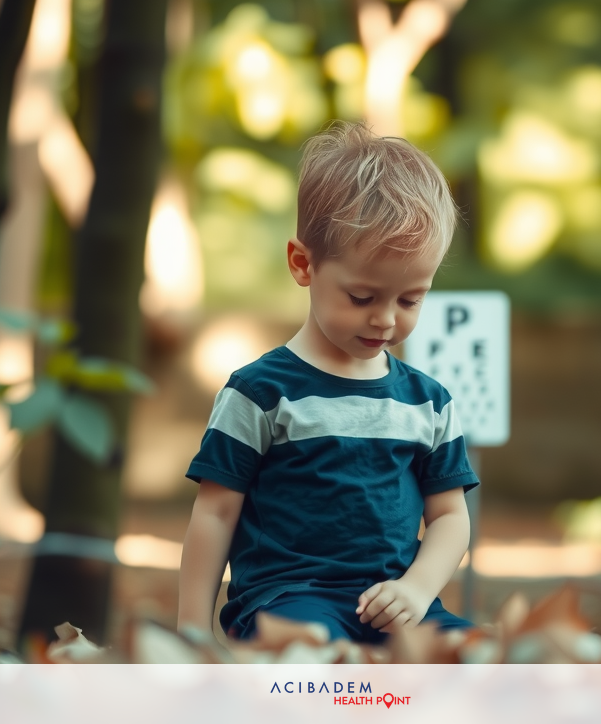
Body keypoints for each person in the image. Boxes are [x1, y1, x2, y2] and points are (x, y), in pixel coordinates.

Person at [177, 121, 478, 644]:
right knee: (315, 665)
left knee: (485, 659)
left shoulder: (428, 403)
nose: (386, 319)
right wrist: (189, 631)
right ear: (303, 264)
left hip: (398, 606)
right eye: (362, 297)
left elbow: (451, 516)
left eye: (410, 299)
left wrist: (416, 589)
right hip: (290, 604)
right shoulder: (259, 392)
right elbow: (215, 512)